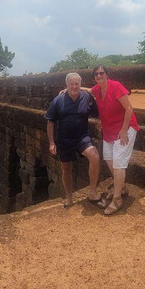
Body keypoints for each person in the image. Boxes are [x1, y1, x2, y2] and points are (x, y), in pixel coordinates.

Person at [45, 72, 107, 209]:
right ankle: (69, 197)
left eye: (77, 84)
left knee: (95, 156)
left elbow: (99, 113)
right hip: (64, 139)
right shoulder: (58, 101)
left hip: (82, 137)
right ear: (66, 85)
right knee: (66, 168)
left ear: (80, 84)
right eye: (71, 84)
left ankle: (92, 193)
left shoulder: (87, 97)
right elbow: (50, 122)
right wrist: (51, 142)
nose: (74, 86)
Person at [90, 65, 139, 215]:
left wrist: (124, 130)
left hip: (125, 129)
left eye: (101, 73)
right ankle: (122, 188)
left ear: (107, 75)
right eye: (96, 74)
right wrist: (69, 89)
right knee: (109, 159)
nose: (99, 76)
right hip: (109, 131)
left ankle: (117, 198)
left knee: (119, 164)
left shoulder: (116, 86)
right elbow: (87, 90)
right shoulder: (97, 89)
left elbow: (129, 108)